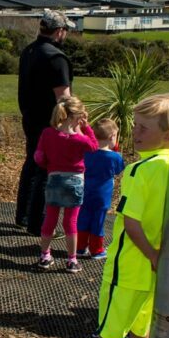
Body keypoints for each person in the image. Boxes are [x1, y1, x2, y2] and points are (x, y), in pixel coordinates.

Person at [52, 93, 169, 338]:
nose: (137, 134)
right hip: (152, 271)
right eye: (137, 127)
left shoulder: (139, 171)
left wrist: (151, 255)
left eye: (145, 128)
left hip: (131, 264)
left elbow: (131, 224)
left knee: (111, 325)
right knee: (139, 326)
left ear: (168, 134)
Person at [16, 9, 74, 236]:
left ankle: (23, 216)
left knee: (31, 163)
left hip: (30, 118)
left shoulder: (29, 51)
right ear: (59, 32)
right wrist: (74, 125)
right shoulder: (56, 58)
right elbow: (64, 98)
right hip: (49, 123)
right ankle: (37, 224)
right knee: (45, 170)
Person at [33, 96, 97, 273]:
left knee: (50, 219)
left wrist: (49, 166)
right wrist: (86, 128)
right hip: (75, 181)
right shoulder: (80, 139)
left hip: (54, 179)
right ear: (76, 117)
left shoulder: (47, 133)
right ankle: (71, 260)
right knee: (71, 222)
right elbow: (94, 146)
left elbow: (39, 157)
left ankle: (45, 255)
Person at [75, 118, 124, 260]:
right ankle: (96, 250)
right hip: (102, 195)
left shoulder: (87, 153)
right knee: (98, 220)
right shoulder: (114, 157)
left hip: (85, 191)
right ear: (112, 137)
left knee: (83, 218)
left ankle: (80, 247)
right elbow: (118, 170)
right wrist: (115, 150)